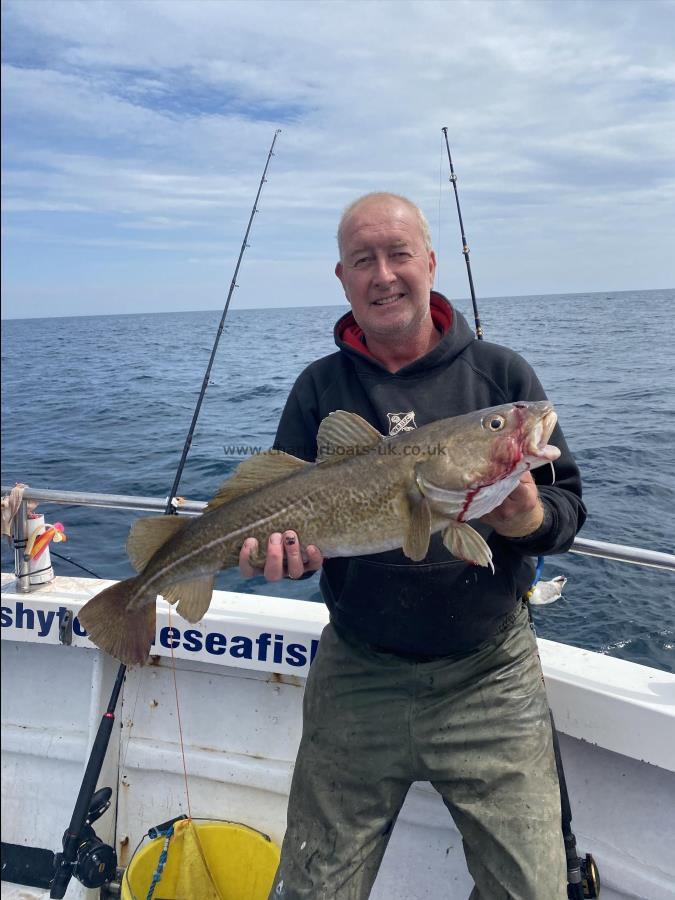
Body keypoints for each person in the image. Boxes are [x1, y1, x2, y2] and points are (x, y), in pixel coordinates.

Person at [239, 192, 585, 899]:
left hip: (489, 673)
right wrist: (279, 560)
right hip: (356, 670)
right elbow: (279, 508)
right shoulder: (318, 387)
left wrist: (522, 520)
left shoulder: (500, 378)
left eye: (399, 254)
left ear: (429, 262)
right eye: (363, 259)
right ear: (341, 278)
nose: (384, 274)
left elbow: (567, 507)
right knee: (310, 888)